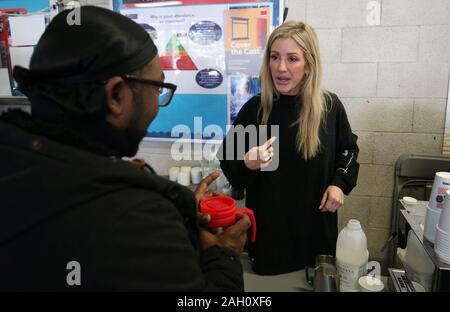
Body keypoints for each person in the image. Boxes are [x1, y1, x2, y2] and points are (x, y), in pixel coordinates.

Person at [0, 6, 250, 291]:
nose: (157, 102)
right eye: (157, 88)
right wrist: (225, 253)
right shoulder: (140, 222)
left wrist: (179, 207)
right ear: (117, 95)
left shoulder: (16, 158)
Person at [219, 21, 359, 275]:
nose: (280, 68)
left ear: (309, 65)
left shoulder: (329, 108)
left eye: (292, 59)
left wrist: (339, 183)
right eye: (274, 57)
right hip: (271, 245)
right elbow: (230, 168)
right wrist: (248, 163)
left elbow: (349, 150)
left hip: (317, 239)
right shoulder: (255, 110)